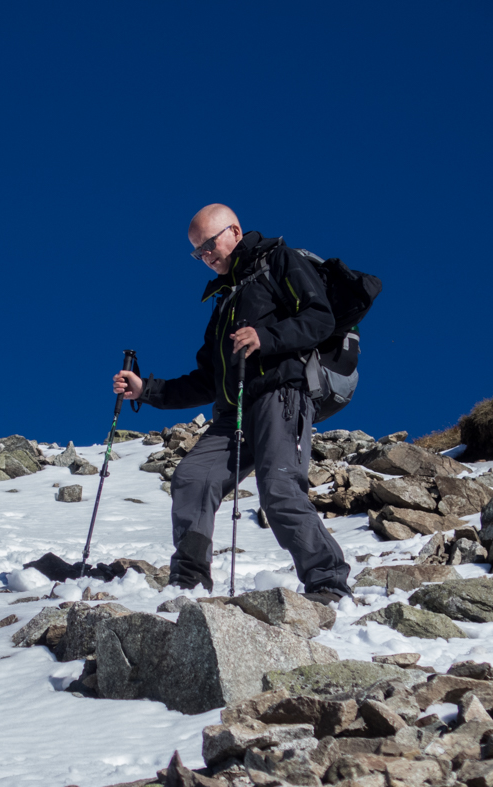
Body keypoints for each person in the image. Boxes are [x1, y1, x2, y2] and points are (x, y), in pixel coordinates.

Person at [112, 204, 353, 603]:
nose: (206, 255)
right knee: (192, 477)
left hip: (280, 395)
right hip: (232, 412)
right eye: (198, 252)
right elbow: (207, 380)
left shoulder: (279, 260)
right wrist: (146, 390)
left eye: (209, 243)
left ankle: (329, 583)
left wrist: (266, 338)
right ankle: (189, 581)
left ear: (235, 231)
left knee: (278, 488)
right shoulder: (224, 302)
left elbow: (320, 318)